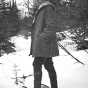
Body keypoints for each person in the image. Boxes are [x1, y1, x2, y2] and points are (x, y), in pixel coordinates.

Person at [29, 0, 59, 88]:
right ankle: (54, 86)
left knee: (36, 65)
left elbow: (51, 27)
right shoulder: (42, 9)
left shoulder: (47, 8)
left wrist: (40, 38)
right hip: (43, 45)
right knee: (49, 66)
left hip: (43, 45)